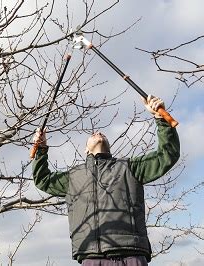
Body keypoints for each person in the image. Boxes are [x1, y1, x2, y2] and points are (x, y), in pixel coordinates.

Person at [32, 95, 180, 266]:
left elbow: (167, 155)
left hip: (132, 256)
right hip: (92, 258)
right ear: (86, 150)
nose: (98, 133)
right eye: (93, 134)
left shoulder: (129, 167)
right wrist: (41, 149)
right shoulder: (73, 177)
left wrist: (160, 118)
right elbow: (42, 179)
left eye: (102, 134)